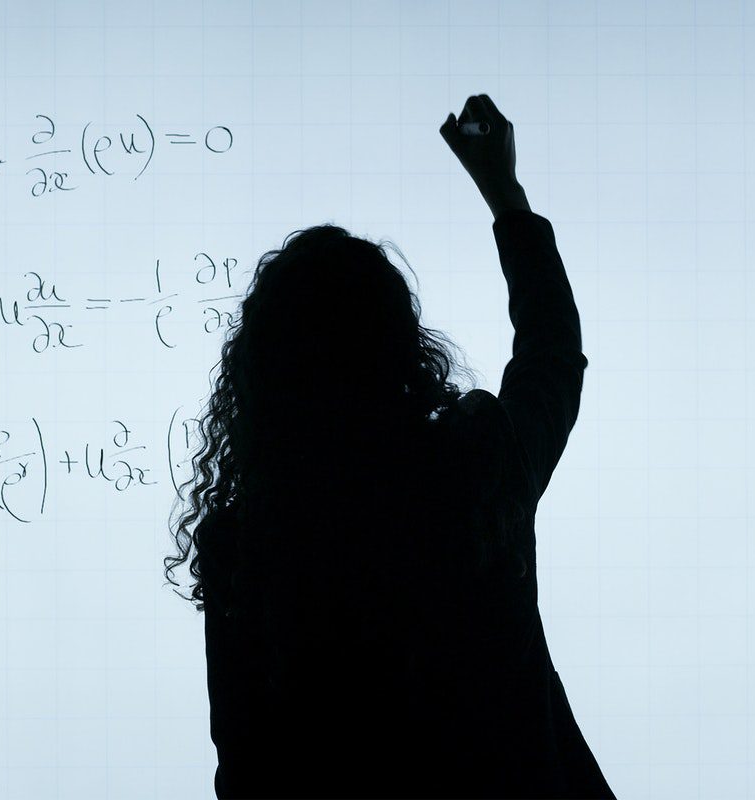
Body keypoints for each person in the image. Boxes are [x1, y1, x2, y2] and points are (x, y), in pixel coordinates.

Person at [165, 94, 616, 799]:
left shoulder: (245, 549)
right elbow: (551, 357)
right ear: (401, 350)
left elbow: (246, 768)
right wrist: (505, 193)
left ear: (262, 377)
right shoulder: (473, 472)